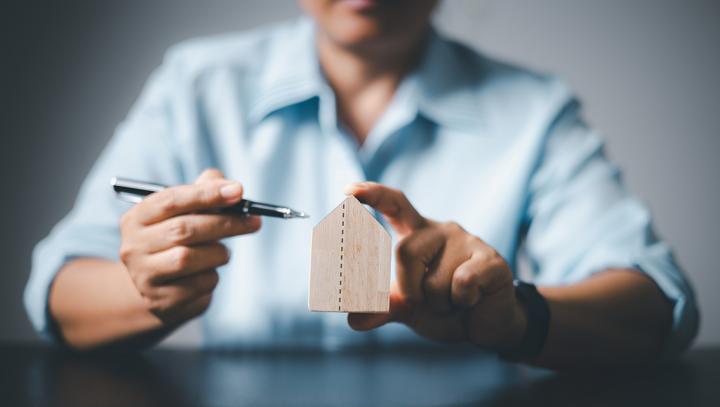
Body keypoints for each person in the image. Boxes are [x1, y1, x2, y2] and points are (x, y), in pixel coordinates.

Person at [25, 0, 698, 369]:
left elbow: (658, 303)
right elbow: (57, 290)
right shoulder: (195, 86)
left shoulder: (535, 111)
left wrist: (515, 316)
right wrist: (150, 290)